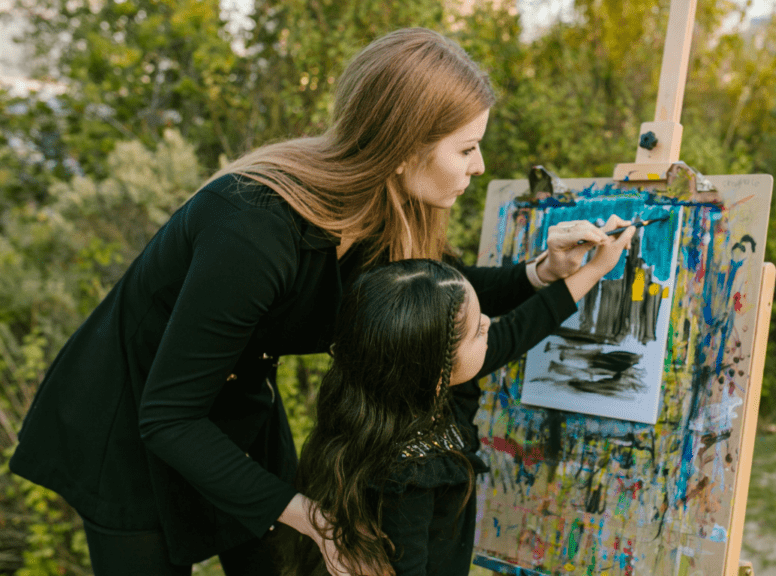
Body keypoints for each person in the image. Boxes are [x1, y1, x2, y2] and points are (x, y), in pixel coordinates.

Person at [8, 27, 623, 575]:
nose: (479, 165)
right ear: (406, 146)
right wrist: (315, 517)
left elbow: (441, 296)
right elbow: (167, 414)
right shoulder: (251, 227)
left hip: (240, 405)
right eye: (465, 148)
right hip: (132, 422)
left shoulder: (383, 206)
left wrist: (544, 271)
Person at [282, 244, 633, 576]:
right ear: (437, 365)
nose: (489, 326)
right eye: (478, 331)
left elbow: (522, 326)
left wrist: (597, 267)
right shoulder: (406, 478)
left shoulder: (411, 390)